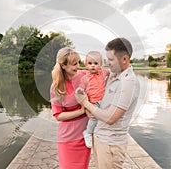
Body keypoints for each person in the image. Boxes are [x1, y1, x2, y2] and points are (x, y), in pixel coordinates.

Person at [75, 37, 140, 169]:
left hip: (111, 145)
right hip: (99, 138)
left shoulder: (128, 83)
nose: (107, 63)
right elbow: (87, 73)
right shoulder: (112, 75)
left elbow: (111, 118)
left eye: (110, 60)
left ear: (124, 59)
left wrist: (85, 103)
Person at [50, 47, 91, 169]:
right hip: (67, 138)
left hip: (84, 135)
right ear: (63, 65)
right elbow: (58, 115)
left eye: (78, 62)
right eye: (74, 64)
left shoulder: (85, 76)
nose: (78, 66)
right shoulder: (56, 87)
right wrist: (82, 110)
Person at [78, 51, 109, 148]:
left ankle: (98, 134)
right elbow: (81, 89)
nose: (93, 66)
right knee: (93, 118)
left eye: (96, 63)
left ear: (100, 65)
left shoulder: (103, 73)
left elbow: (113, 71)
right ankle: (88, 133)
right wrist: (80, 90)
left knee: (103, 118)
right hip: (93, 102)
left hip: (103, 101)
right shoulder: (85, 77)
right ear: (86, 64)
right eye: (90, 63)